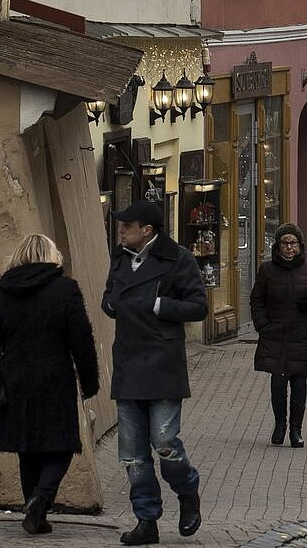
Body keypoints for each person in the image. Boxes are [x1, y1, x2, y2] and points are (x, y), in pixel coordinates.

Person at [0, 233, 99, 536]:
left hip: (15, 378)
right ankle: (40, 500)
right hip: (55, 377)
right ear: (51, 256)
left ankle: (35, 509)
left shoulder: (6, 288)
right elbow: (81, 338)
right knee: (63, 444)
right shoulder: (65, 289)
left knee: (26, 447)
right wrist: (89, 382)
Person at [101, 201, 209, 546]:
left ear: (146, 230)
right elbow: (110, 297)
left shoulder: (178, 259)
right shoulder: (120, 258)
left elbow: (198, 306)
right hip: (129, 362)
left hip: (163, 363)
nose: (120, 231)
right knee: (133, 454)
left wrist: (158, 305)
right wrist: (110, 304)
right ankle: (146, 519)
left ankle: (187, 491)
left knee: (165, 443)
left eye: (126, 226)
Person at [250, 223, 307, 447]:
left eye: (293, 243)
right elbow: (257, 300)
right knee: (277, 382)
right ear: (278, 245)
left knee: (299, 382)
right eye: (285, 243)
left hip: (302, 334)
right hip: (275, 333)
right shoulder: (267, 269)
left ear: (300, 246)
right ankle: (280, 425)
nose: (289, 247)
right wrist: (262, 325)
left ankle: (296, 429)